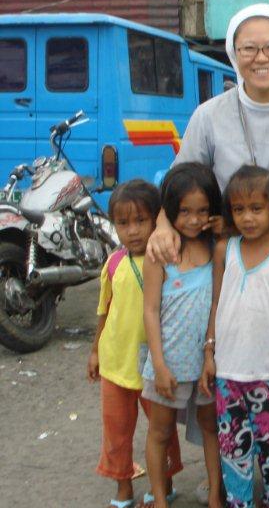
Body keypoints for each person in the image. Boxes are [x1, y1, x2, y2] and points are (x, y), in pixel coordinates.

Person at [146, 3, 269, 481]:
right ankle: (234, 449)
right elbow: (182, 176)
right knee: (236, 348)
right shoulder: (210, 116)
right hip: (228, 253)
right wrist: (165, 224)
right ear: (233, 54)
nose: (261, 57)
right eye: (248, 48)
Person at [198, 165, 269, 507]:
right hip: (228, 374)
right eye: (238, 209)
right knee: (233, 448)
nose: (247, 218)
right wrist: (209, 353)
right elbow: (216, 302)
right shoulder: (224, 251)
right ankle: (239, 501)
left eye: (256, 208)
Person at [88, 181, 183, 508]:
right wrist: (94, 350)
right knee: (117, 432)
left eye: (141, 221)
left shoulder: (168, 257)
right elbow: (104, 308)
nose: (132, 231)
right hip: (116, 363)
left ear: (158, 219)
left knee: (163, 430)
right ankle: (123, 488)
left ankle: (164, 483)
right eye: (123, 223)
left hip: (154, 364)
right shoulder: (113, 263)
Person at [141, 163, 224, 508]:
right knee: (160, 432)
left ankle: (216, 496)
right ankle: (160, 499)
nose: (193, 219)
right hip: (169, 362)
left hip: (205, 363)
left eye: (202, 211)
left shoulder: (216, 249)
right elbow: (151, 311)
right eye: (185, 211)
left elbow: (217, 304)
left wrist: (209, 354)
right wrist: (158, 364)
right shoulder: (160, 253)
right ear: (170, 210)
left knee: (210, 428)